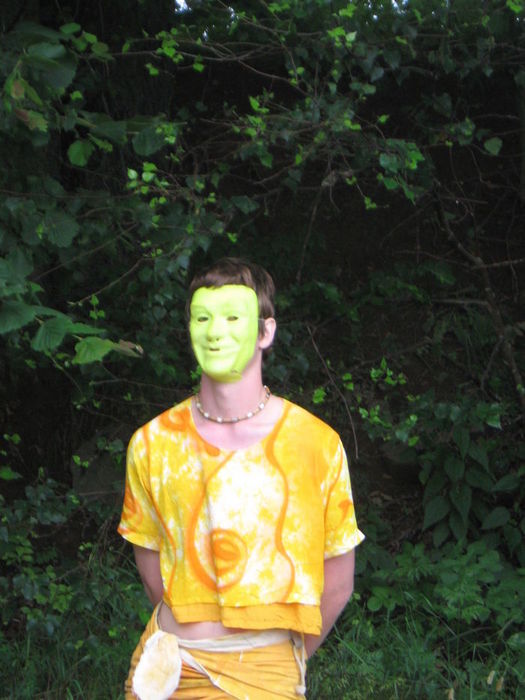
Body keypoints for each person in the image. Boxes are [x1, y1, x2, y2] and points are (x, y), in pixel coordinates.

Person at [118, 257, 365, 699]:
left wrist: (275, 665)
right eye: (203, 318)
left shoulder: (315, 444)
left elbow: (339, 582)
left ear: (265, 332)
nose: (216, 331)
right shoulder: (153, 443)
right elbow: (153, 572)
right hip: (168, 671)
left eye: (233, 317)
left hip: (267, 676)